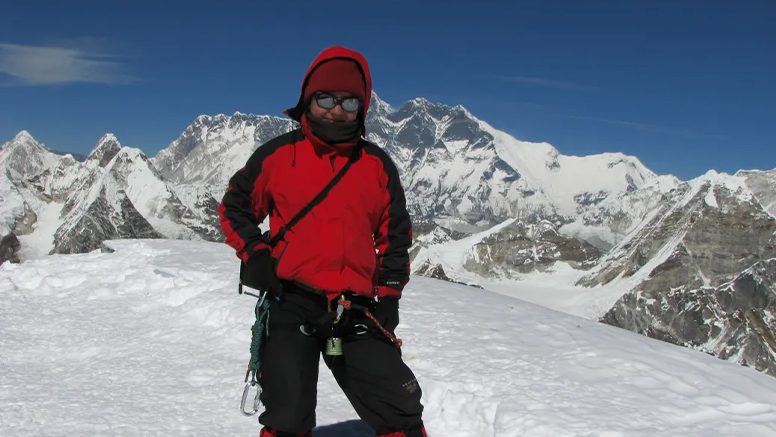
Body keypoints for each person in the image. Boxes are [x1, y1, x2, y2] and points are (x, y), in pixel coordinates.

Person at [219, 46, 428, 437]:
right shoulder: (279, 156)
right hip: (290, 301)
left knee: (399, 406)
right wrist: (256, 254)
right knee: (287, 416)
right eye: (326, 98)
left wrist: (391, 294)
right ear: (307, 100)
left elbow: (395, 235)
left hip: (355, 308)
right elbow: (235, 207)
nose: (336, 110)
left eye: (348, 101)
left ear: (362, 107)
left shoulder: (376, 165)